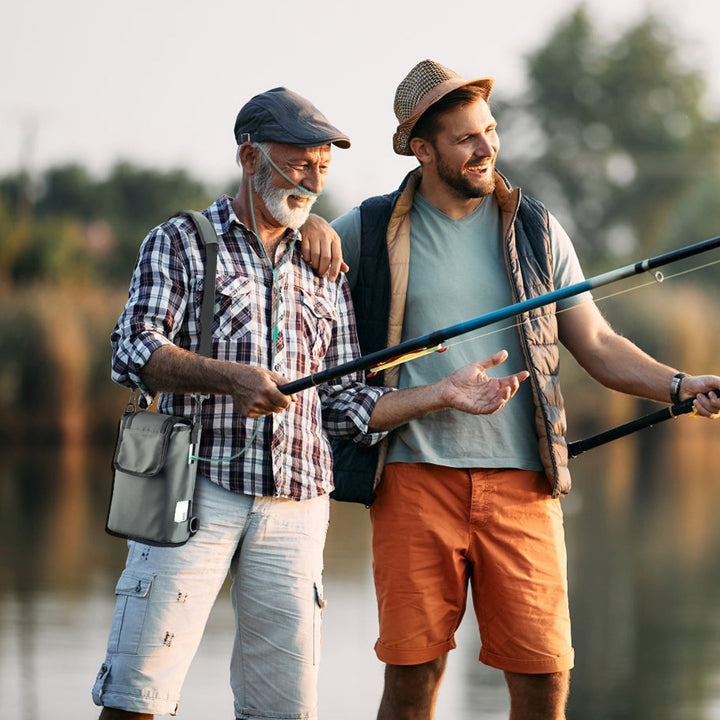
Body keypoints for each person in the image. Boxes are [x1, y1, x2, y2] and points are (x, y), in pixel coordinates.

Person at [91, 86, 530, 720]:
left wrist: (443, 395)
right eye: (298, 162)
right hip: (190, 492)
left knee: (284, 712)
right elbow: (131, 350)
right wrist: (232, 379)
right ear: (249, 159)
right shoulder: (181, 240)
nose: (312, 179)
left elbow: (346, 404)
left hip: (298, 504)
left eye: (323, 165)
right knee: (138, 696)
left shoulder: (325, 260)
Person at [310, 60, 720, 719]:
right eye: (466, 138)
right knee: (414, 680)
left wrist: (678, 383)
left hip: (525, 487)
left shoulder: (536, 227)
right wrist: (310, 228)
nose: (487, 147)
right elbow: (304, 250)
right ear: (423, 149)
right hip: (414, 483)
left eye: (491, 131)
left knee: (545, 680)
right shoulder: (371, 226)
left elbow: (597, 344)